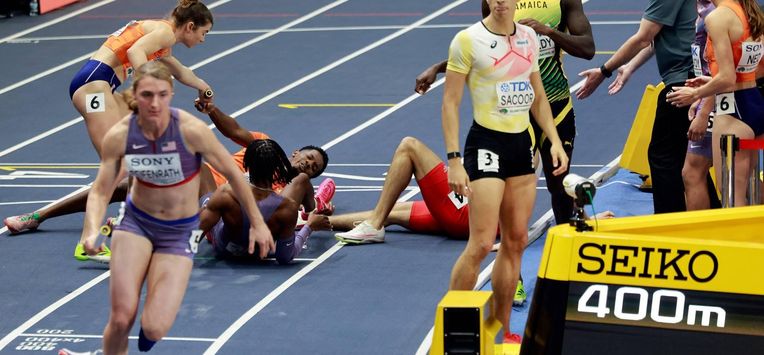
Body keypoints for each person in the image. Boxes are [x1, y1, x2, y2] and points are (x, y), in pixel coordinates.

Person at [60, 61, 274, 355]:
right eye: (147, 95)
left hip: (178, 232)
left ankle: (147, 334)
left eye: (162, 95)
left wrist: (258, 223)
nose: (154, 103)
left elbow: (235, 174)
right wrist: (92, 230)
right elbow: (100, 190)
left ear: (171, 94)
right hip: (136, 225)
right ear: (135, 95)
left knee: (154, 327)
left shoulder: (192, 131)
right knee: (122, 317)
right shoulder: (120, 135)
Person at [4, 98, 334, 261]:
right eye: (307, 156)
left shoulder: (286, 188)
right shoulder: (262, 146)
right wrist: (212, 110)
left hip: (214, 202)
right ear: (292, 152)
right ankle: (38, 216)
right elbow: (233, 131)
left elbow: (295, 208)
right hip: (207, 188)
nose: (308, 163)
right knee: (127, 184)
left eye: (314, 166)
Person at [440, 0, 568, 344]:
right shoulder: (467, 40)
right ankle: (455, 326)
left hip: (520, 146)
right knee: (482, 243)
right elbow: (450, 102)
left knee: (516, 242)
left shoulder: (528, 36)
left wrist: (553, 140)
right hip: (485, 143)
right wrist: (454, 160)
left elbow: (537, 95)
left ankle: (501, 327)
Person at [415, 0, 595, 226]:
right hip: (514, 112)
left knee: (557, 183)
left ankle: (563, 238)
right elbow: (484, 45)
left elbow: (588, 48)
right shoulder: (497, 2)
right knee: (511, 184)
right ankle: (508, 240)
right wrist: (438, 68)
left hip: (555, 104)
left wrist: (548, 32)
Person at [577, 0, 696, 214]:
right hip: (687, 77)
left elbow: (643, 37)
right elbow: (657, 33)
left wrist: (605, 70)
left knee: (664, 158)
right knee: (685, 160)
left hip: (683, 82)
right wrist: (629, 66)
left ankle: (668, 224)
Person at [69, 0, 214, 158]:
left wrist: (203, 87)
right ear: (190, 27)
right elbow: (135, 51)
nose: (203, 39)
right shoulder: (166, 33)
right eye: (204, 32)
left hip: (101, 85)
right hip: (93, 86)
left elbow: (180, 71)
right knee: (114, 160)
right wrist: (150, 86)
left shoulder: (163, 37)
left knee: (137, 141)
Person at [666, 0, 764, 206]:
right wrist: (711, 82)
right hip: (756, 108)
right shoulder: (750, 12)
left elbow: (727, 78)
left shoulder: (717, 17)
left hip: (733, 113)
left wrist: (695, 95)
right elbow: (756, 69)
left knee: (731, 197)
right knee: (752, 189)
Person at [200, 139, 332, 264]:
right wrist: (309, 227)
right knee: (302, 179)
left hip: (224, 251)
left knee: (205, 190)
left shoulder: (226, 193)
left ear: (246, 164)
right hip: (259, 254)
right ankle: (312, 208)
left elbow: (197, 233)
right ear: (279, 167)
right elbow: (285, 257)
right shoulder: (287, 208)